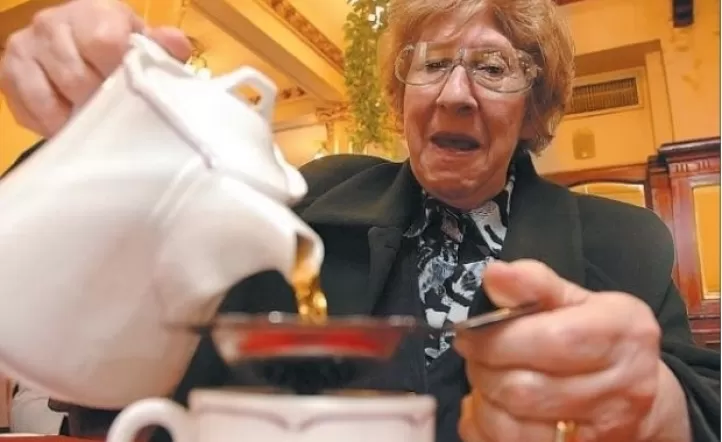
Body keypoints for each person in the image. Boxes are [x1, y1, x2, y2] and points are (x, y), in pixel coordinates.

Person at [0, 0, 719, 441]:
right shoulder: (302, 200)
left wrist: (656, 410)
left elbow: (707, 405)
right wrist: (97, 126)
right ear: (402, 96)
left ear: (534, 106)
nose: (457, 94)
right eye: (432, 64)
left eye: (494, 68)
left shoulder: (625, 243)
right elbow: (134, 254)